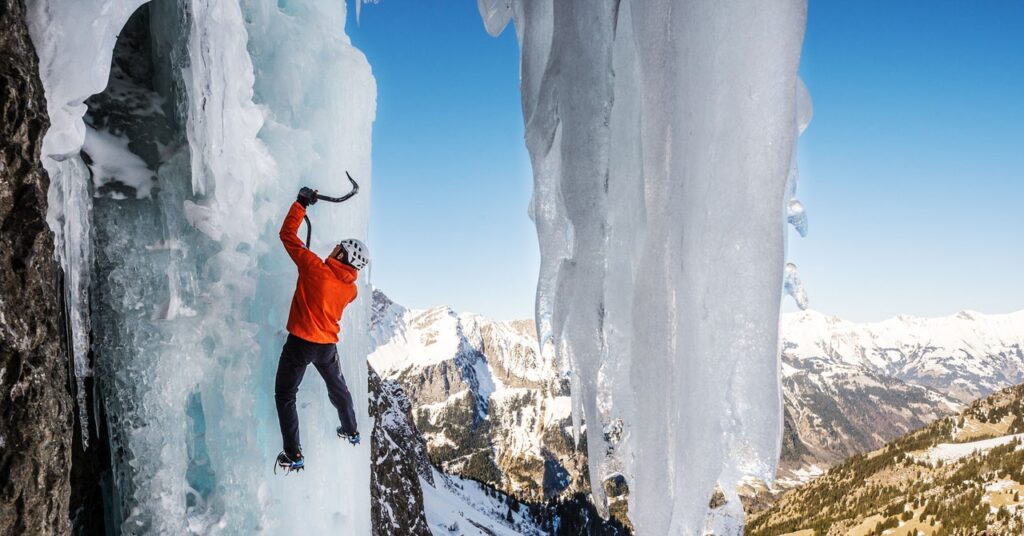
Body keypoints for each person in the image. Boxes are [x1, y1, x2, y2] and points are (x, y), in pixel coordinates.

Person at [274, 187, 370, 474]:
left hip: (300, 344)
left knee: (285, 395)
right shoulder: (350, 290)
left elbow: (288, 236)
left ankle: (294, 453)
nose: (333, 249)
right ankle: (351, 430)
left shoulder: (314, 268)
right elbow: (333, 281)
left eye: (338, 249)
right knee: (338, 389)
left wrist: (301, 203)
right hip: (326, 348)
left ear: (344, 256)